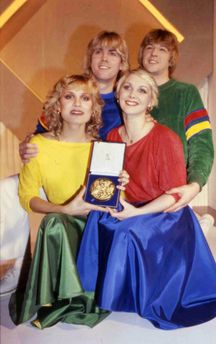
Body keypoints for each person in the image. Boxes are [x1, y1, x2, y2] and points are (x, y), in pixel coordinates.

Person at [77, 69, 216, 330]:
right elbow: (114, 185)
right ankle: (97, 291)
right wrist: (118, 191)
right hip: (134, 205)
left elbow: (174, 197)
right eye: (127, 88)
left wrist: (134, 213)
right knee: (98, 218)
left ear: (151, 102)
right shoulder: (113, 136)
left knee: (127, 229)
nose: (132, 94)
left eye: (142, 90)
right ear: (117, 94)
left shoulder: (165, 139)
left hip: (167, 214)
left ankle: (137, 295)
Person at [0, 31, 129, 296]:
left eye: (112, 53)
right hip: (56, 177)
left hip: (101, 186)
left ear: (123, 62)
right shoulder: (70, 90)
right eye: (98, 52)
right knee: (6, 192)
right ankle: (13, 271)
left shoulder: (127, 101)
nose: (104, 58)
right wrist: (28, 144)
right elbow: (42, 136)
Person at [8, 74, 128, 329]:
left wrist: (121, 185)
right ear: (58, 105)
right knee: (55, 223)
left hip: (95, 225)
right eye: (69, 96)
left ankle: (75, 300)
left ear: (93, 108)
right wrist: (64, 209)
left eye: (85, 98)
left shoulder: (103, 148)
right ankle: (59, 301)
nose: (77, 103)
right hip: (63, 223)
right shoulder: (38, 145)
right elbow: (27, 197)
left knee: (62, 223)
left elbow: (114, 203)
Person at [139, 29, 214, 212]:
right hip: (134, 188)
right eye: (149, 47)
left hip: (169, 190)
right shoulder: (127, 91)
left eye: (162, 49)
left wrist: (195, 183)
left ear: (171, 58)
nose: (154, 53)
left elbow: (201, 143)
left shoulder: (185, 93)